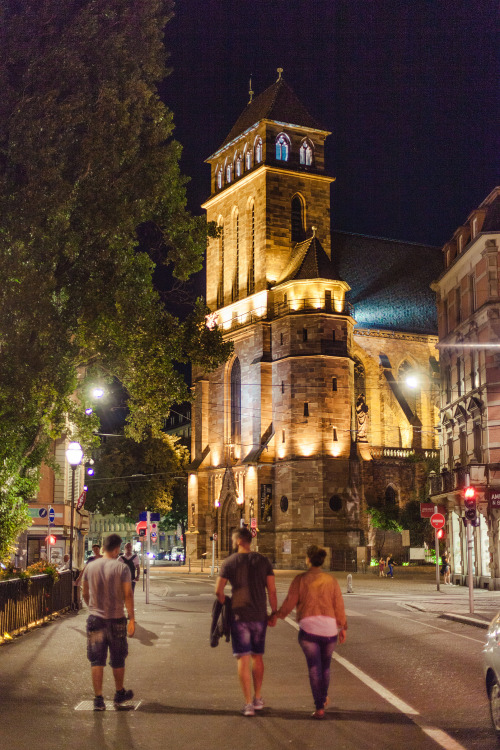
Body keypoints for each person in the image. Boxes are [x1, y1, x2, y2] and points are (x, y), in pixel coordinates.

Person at [275, 545, 347, 719]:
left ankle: (319, 706)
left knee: (314, 667)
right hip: (329, 630)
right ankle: (322, 698)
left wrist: (277, 616)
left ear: (308, 559)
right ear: (322, 561)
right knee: (326, 667)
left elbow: (290, 602)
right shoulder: (331, 580)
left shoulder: (301, 579)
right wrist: (343, 626)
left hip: (309, 629)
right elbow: (338, 605)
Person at [215, 527, 277, 717]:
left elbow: (219, 591)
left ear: (240, 541)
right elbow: (272, 590)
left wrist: (226, 602)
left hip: (239, 616)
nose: (233, 542)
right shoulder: (263, 561)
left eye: (234, 540)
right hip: (259, 615)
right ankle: (258, 698)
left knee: (243, 657)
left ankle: (248, 703)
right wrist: (274, 612)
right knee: (257, 656)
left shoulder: (229, 562)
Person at [81, 533, 135, 711]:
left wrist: (92, 607)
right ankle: (119, 694)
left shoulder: (90, 566)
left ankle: (98, 699)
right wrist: (132, 619)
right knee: (118, 658)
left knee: (97, 659)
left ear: (103, 547)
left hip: (95, 620)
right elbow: (128, 594)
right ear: (117, 548)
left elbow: (85, 593)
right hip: (117, 619)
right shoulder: (122, 568)